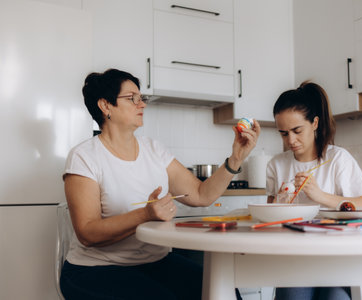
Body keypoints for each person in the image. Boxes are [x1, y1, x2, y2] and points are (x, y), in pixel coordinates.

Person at [60, 68, 260, 300]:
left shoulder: (154, 150)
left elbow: (200, 194)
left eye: (141, 98)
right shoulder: (85, 156)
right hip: (95, 269)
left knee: (223, 292)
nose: (142, 104)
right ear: (106, 106)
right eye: (132, 98)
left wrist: (236, 158)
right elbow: (87, 232)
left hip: (155, 262)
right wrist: (145, 214)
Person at [266, 81, 362, 300]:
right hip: (296, 258)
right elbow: (270, 214)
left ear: (315, 123)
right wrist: (279, 205)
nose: (291, 140)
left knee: (335, 297)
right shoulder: (276, 165)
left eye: (297, 131)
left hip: (342, 257)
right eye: (283, 133)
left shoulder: (337, 158)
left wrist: (320, 196)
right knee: (292, 295)